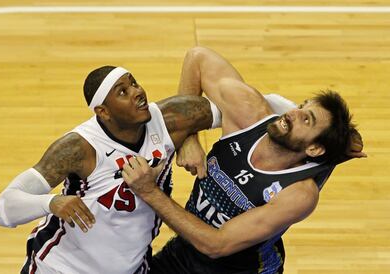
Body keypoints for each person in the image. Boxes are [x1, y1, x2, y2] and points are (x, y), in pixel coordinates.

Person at [0, 64, 298, 273]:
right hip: (62, 267)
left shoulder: (170, 118)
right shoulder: (78, 148)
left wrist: (189, 139)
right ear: (103, 111)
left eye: (134, 83)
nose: (137, 92)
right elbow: (2, 208)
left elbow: (255, 108)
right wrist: (51, 202)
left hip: (134, 268)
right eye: (122, 92)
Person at [122, 47, 365, 274]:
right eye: (301, 107)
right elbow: (198, 57)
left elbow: (216, 245)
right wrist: (188, 137)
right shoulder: (249, 113)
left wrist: (150, 192)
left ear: (313, 148)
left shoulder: (299, 194)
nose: (292, 113)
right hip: (185, 250)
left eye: (306, 120)